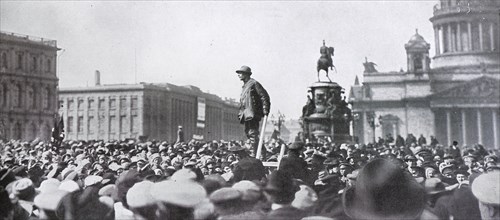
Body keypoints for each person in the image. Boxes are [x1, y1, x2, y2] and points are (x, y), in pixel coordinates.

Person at [236, 65, 271, 157]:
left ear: (246, 74)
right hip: (246, 114)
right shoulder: (245, 86)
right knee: (249, 133)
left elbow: (264, 96)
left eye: (241, 73)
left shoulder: (254, 83)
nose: (239, 75)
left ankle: (255, 153)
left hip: (253, 113)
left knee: (252, 133)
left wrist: (265, 109)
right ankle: (261, 152)